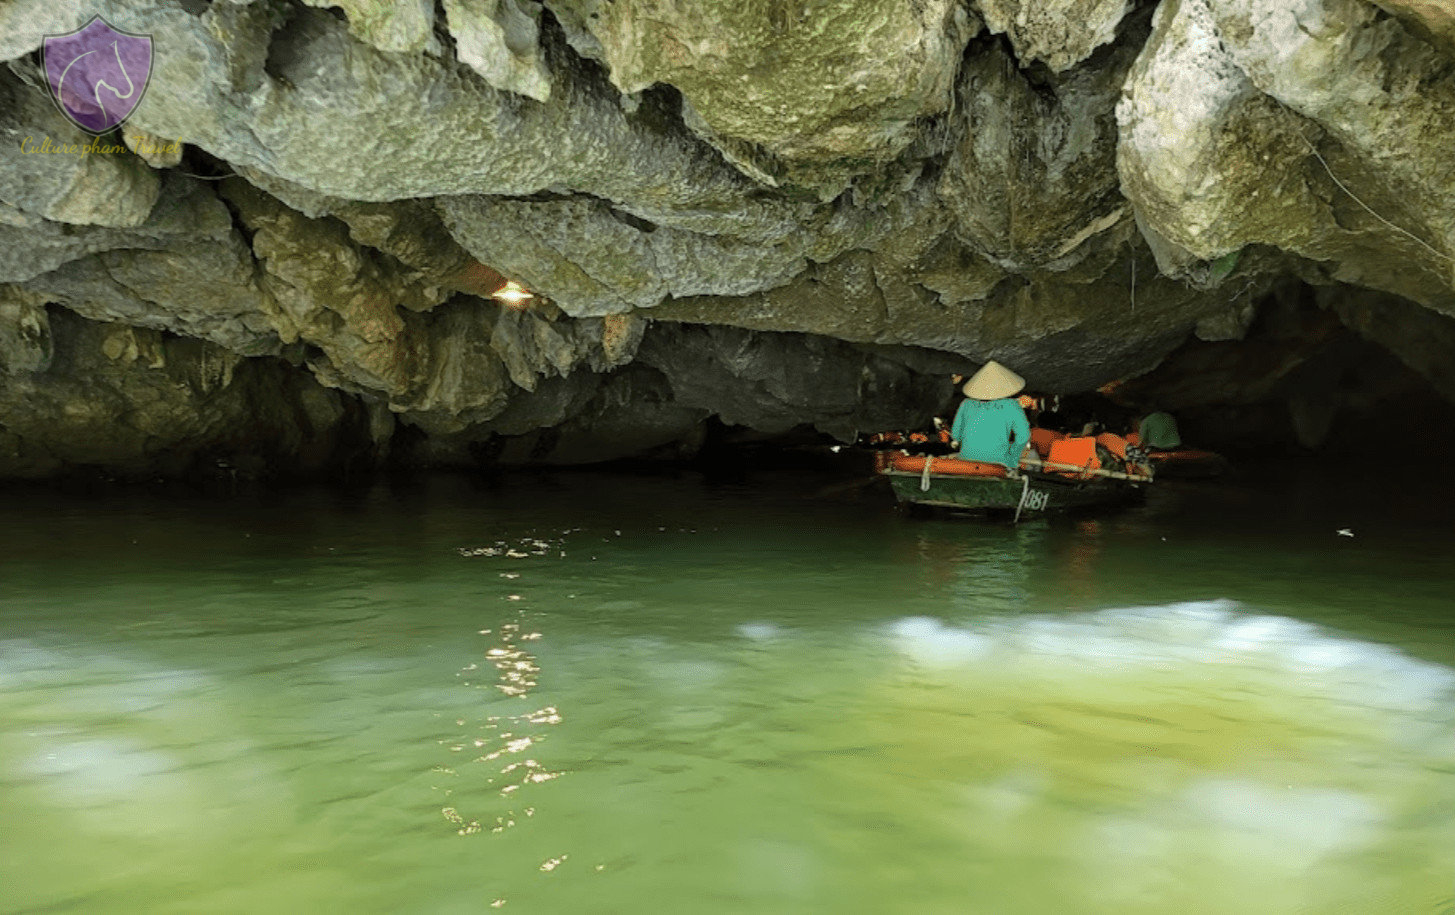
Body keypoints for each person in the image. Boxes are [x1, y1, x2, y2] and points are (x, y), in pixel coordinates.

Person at [950, 361, 1032, 469]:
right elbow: (1024, 436)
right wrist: (1012, 458)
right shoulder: (1012, 405)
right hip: (998, 464)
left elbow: (955, 434)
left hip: (966, 461)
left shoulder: (966, 404)